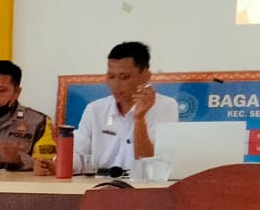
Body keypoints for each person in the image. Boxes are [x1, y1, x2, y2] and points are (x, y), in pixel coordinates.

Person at [69, 41, 180, 176]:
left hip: (140, 187)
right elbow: (78, 154)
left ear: (146, 76)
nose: (116, 85)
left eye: (124, 77)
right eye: (111, 77)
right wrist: (56, 164)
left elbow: (151, 164)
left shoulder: (166, 106)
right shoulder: (95, 109)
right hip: (99, 184)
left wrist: (139, 119)